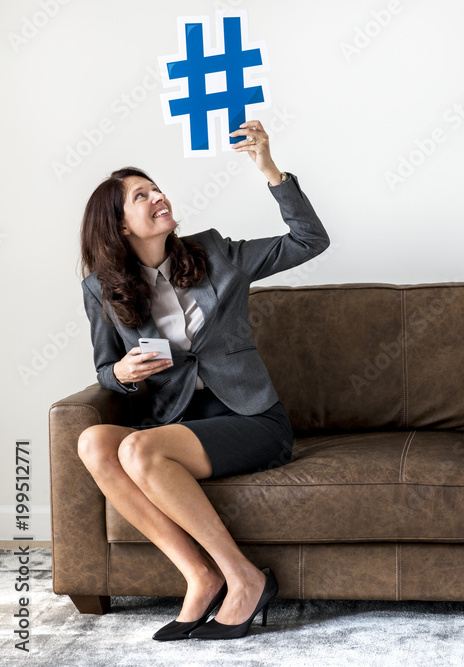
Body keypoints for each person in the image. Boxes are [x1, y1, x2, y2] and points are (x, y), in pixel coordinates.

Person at [76, 121, 329, 641]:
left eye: (155, 188)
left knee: (141, 453)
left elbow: (309, 240)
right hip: (178, 422)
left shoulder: (216, 254)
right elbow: (105, 370)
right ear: (120, 227)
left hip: (250, 418)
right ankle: (199, 574)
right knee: (95, 441)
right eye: (141, 196)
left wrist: (269, 169)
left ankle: (244, 577)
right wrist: (121, 374)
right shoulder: (100, 289)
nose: (157, 197)